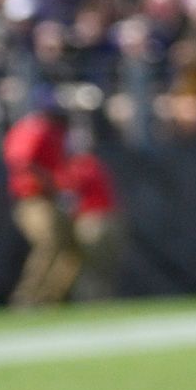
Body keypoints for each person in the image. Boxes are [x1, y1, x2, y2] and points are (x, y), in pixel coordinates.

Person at [1, 93, 79, 309]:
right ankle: (27, 297)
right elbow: (21, 161)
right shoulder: (34, 128)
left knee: (69, 249)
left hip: (51, 199)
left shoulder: (54, 132)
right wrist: (48, 182)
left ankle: (51, 299)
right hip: (33, 199)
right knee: (49, 243)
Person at [61, 119, 118, 302]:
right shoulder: (96, 164)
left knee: (89, 269)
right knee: (101, 268)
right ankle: (98, 301)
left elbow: (68, 197)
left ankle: (90, 303)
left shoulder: (78, 168)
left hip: (92, 222)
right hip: (109, 219)